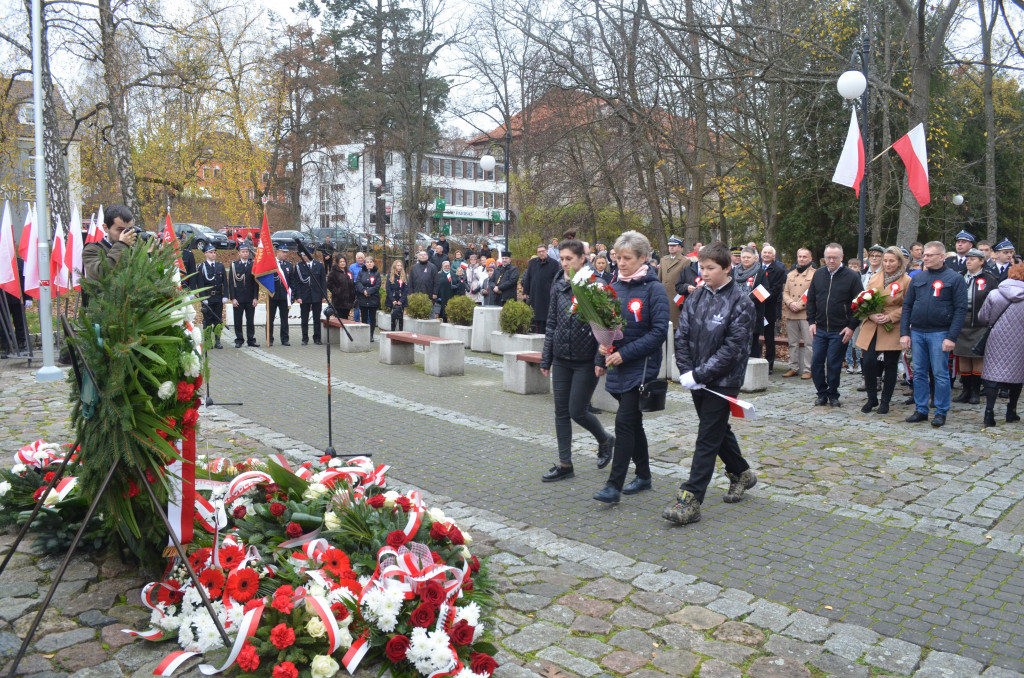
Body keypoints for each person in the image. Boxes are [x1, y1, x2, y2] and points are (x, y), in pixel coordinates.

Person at [664, 241, 756, 525]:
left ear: (727, 268)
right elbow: (683, 335)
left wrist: (701, 375)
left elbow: (733, 348)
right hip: (696, 378)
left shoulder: (741, 302)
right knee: (716, 428)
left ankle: (691, 499)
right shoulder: (696, 297)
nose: (703, 273)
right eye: (701, 268)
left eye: (710, 268)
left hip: (723, 380)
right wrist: (687, 370)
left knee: (707, 436)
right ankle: (741, 472)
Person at [592, 231, 669, 504]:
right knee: (634, 424)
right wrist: (602, 355)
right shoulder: (615, 285)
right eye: (618, 258)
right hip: (617, 366)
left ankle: (614, 485)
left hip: (642, 368)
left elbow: (659, 332)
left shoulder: (654, 289)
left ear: (643, 258)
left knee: (624, 424)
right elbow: (607, 326)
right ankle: (645, 476)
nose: (621, 263)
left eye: (627, 258)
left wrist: (625, 354)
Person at [539, 238, 615, 482]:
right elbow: (552, 323)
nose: (564, 263)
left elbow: (605, 327)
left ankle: (605, 439)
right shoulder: (558, 283)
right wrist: (546, 357)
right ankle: (565, 464)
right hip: (561, 357)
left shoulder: (596, 285)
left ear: (583, 258)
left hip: (585, 360)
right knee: (560, 412)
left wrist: (599, 359)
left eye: (568, 259)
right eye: (561, 259)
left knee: (577, 410)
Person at [900, 241, 968, 427]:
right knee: (919, 372)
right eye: (924, 254)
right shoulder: (919, 277)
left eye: (930, 255)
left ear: (942, 257)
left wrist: (951, 337)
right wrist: (905, 332)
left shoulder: (954, 279)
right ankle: (921, 409)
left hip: (940, 332)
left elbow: (961, 309)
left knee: (940, 374)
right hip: (918, 332)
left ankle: (940, 411)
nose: (925, 257)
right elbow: (907, 306)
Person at [806, 242, 863, 407]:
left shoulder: (852, 277)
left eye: (834, 258)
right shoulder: (818, 274)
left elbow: (859, 304)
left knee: (833, 363)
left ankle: (833, 393)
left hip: (840, 330)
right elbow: (811, 300)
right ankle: (821, 393)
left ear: (841, 257)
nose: (831, 261)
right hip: (820, 328)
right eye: (828, 257)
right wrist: (811, 322)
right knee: (816, 362)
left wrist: (852, 326)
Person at [855, 247, 911, 414]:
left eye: (891, 261)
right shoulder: (875, 277)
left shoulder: (906, 280)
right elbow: (864, 298)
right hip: (873, 323)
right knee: (869, 361)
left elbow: (908, 305)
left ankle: (885, 401)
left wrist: (891, 316)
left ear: (899, 262)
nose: (887, 264)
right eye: (885, 260)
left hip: (891, 325)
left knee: (890, 364)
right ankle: (872, 397)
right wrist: (871, 314)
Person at [979, 263, 1024, 426]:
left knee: (993, 376)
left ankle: (988, 414)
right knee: (1017, 377)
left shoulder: (995, 293)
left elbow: (983, 318)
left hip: (996, 338)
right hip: (1020, 341)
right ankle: (1011, 411)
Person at [952, 248, 998, 405]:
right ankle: (965, 390)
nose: (969, 261)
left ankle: (975, 391)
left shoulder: (990, 279)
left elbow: (995, 301)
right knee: (963, 355)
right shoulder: (959, 276)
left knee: (977, 356)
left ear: (981, 261)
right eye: (967, 258)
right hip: (960, 321)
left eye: (973, 258)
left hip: (979, 322)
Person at [83, 204, 138, 284]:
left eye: (129, 230)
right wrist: (122, 245)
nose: (126, 234)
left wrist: (149, 253)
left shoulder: (133, 250)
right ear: (105, 228)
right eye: (120, 230)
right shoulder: (91, 250)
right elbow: (103, 273)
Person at [781, 248, 814, 379]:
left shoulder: (814, 274)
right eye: (799, 256)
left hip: (806, 313)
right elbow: (785, 292)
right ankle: (793, 367)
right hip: (792, 312)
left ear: (810, 259)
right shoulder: (791, 274)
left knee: (809, 343)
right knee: (792, 343)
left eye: (804, 257)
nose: (801, 259)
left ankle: (808, 368)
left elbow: (812, 293)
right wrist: (790, 303)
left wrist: (799, 305)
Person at [733, 246, 766, 359]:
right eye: (743, 257)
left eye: (748, 257)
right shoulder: (733, 271)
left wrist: (747, 300)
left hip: (754, 312)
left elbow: (765, 291)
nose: (746, 259)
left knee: (753, 343)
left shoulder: (761, 272)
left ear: (755, 258)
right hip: (735, 312)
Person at [520, 244, 559, 333]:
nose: (541, 253)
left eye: (543, 251)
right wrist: (525, 292)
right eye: (539, 252)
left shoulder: (554, 263)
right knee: (534, 316)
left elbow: (556, 280)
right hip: (534, 294)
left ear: (546, 251)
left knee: (545, 317)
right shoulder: (532, 263)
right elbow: (528, 278)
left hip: (547, 295)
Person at [759, 244, 786, 373]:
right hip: (755, 308)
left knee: (769, 337)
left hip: (769, 308)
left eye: (769, 253)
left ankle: (769, 365)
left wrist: (759, 297)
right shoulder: (756, 267)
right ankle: (754, 360)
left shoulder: (779, 270)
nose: (766, 255)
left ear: (774, 256)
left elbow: (775, 290)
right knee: (754, 335)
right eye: (764, 252)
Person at [227, 243, 259, 348]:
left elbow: (256, 283)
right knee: (238, 320)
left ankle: (251, 340)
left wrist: (255, 297)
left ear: (249, 253)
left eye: (246, 252)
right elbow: (231, 283)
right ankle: (239, 339)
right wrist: (233, 298)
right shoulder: (234, 265)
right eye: (243, 252)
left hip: (250, 298)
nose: (245, 254)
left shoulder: (253, 264)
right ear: (239, 253)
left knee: (250, 320)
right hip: (238, 298)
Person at [293, 249, 327, 345]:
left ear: (311, 254)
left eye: (305, 255)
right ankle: (305, 338)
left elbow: (323, 282)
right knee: (304, 318)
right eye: (303, 255)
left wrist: (324, 295)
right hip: (304, 296)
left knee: (316, 318)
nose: (303, 256)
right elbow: (297, 283)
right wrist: (298, 296)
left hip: (316, 295)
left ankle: (317, 338)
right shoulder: (299, 266)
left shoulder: (319, 265)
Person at [196, 245, 226, 349]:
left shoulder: (220, 266)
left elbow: (224, 283)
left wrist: (225, 295)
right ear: (205, 254)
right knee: (207, 320)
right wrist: (203, 298)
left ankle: (217, 340)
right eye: (211, 252)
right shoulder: (201, 267)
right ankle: (208, 341)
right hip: (207, 297)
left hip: (218, 296)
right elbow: (200, 284)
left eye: (214, 252)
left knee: (218, 319)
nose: (213, 254)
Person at [658, 236, 688, 328]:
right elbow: (659, 279)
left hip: (676, 298)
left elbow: (686, 281)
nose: (671, 247)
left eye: (674, 245)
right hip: (663, 297)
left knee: (675, 326)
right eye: (670, 245)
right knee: (662, 324)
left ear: (680, 248)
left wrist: (681, 300)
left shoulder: (685, 261)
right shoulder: (663, 260)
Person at [267, 244, 293, 346]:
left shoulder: (289, 265)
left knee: (284, 318)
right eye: (283, 252)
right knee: (270, 318)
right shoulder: (270, 264)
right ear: (277, 252)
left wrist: (292, 294)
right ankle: (270, 338)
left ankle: (285, 338)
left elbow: (291, 281)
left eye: (286, 252)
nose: (285, 254)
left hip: (284, 296)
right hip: (272, 295)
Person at [355, 255, 382, 340]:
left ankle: (371, 335)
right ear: (365, 264)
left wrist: (369, 291)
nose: (369, 264)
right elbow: (358, 282)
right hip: (363, 298)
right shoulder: (361, 272)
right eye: (367, 262)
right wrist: (364, 291)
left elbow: (377, 285)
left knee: (372, 317)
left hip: (373, 298)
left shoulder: (377, 273)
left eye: (371, 262)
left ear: (373, 263)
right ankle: (364, 334)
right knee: (364, 317)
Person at [327, 255, 356, 322]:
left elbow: (352, 283)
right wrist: (336, 291)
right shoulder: (333, 273)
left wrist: (353, 293)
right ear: (337, 263)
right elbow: (329, 284)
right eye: (341, 262)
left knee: (345, 319)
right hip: (339, 301)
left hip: (348, 301)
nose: (343, 263)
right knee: (339, 320)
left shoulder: (349, 272)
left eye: (344, 261)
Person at [386, 260, 408, 330]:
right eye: (398, 265)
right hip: (393, 298)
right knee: (393, 317)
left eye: (401, 266)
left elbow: (406, 289)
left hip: (401, 298)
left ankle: (400, 332)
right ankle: (392, 331)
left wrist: (401, 300)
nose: (400, 267)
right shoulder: (390, 276)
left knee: (400, 317)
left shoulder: (404, 276)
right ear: (395, 266)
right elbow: (388, 288)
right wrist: (393, 300)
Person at [349, 252, 366, 321]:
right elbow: (350, 278)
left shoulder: (367, 265)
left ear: (364, 259)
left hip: (365, 289)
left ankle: (367, 323)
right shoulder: (352, 267)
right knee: (356, 307)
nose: (360, 259)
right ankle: (356, 322)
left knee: (365, 307)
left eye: (362, 258)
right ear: (356, 259)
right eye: (359, 258)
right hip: (356, 289)